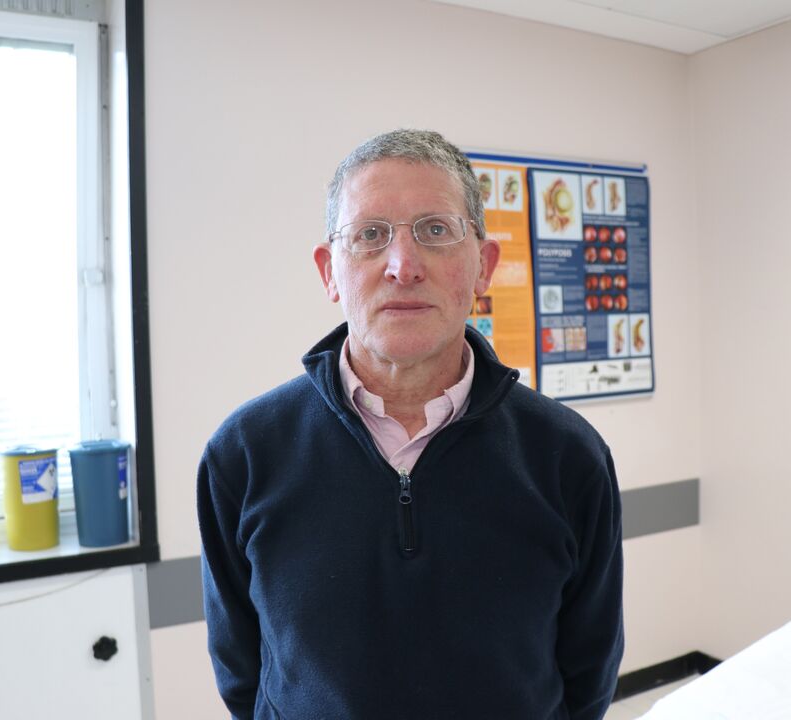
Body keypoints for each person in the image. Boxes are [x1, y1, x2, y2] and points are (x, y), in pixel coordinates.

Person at [198, 129, 624, 720]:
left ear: (483, 266)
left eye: (435, 230)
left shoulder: (567, 454)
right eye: (370, 236)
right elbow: (243, 674)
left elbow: (588, 672)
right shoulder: (244, 454)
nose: (403, 266)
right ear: (330, 272)